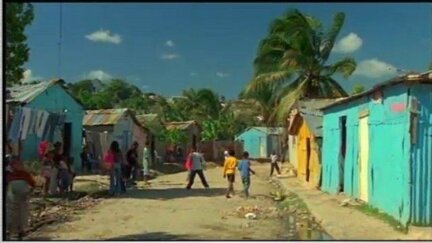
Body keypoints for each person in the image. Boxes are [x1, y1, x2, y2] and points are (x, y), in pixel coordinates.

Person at [6, 156, 36, 240]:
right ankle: (9, 230)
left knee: (23, 214)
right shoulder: (8, 174)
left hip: (23, 198)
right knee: (10, 213)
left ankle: (21, 231)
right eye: (13, 164)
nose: (15, 165)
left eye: (17, 163)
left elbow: (33, 184)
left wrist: (29, 192)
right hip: (11, 198)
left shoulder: (25, 174)